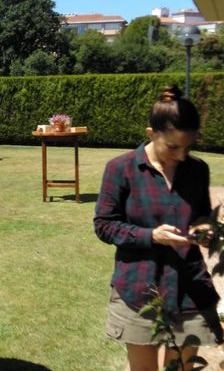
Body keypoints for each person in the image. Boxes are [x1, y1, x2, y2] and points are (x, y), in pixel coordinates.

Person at [94, 84, 222, 371]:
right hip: (139, 289)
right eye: (173, 147)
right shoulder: (121, 169)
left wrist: (206, 231)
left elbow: (201, 217)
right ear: (151, 134)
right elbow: (104, 225)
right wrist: (150, 236)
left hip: (190, 289)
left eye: (188, 147)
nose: (181, 155)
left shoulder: (197, 170)